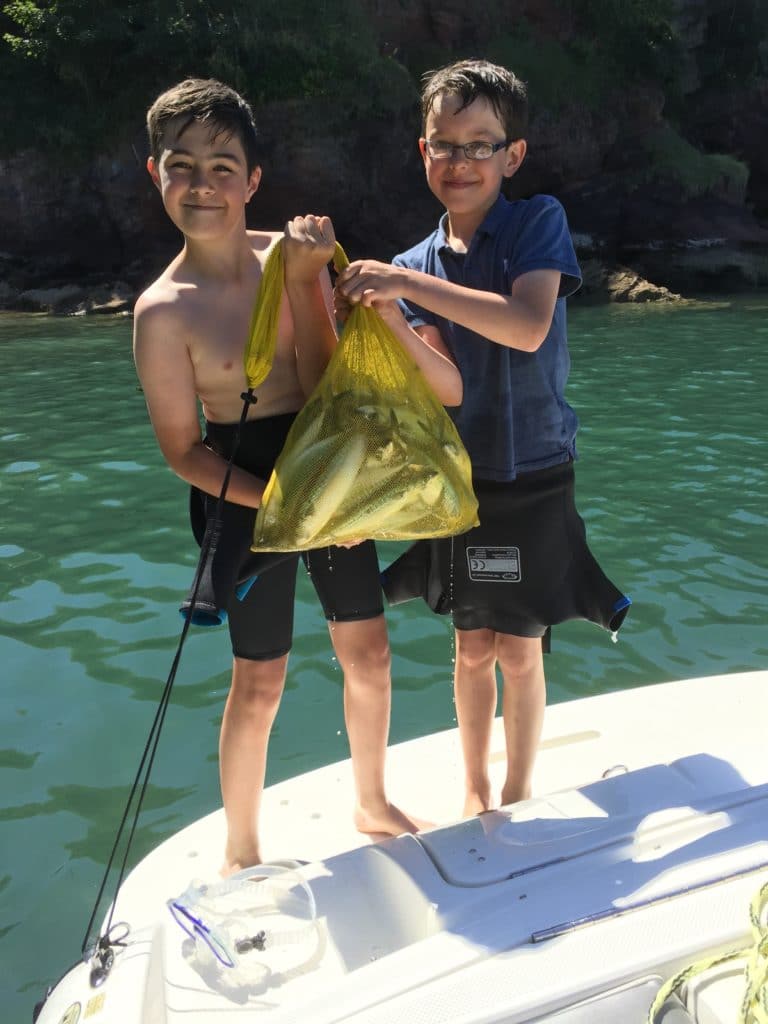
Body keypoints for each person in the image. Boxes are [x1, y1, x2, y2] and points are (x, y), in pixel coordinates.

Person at [133, 78, 462, 873]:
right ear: (156, 175)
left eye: (222, 167)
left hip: (327, 463)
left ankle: (370, 799)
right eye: (183, 167)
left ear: (252, 181)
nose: (202, 185)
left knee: (370, 651)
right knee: (260, 680)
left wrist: (313, 278)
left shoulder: (292, 257)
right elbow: (184, 450)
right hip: (242, 487)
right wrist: (279, 501)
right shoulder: (162, 310)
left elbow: (322, 379)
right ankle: (241, 848)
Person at [336, 59, 630, 818]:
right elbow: (443, 386)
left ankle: (519, 788)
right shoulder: (409, 264)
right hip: (458, 487)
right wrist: (368, 311)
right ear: (422, 150)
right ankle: (474, 789)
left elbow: (528, 327)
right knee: (471, 647)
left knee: (521, 647)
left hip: (536, 473)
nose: (461, 161)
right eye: (445, 144)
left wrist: (403, 290)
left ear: (513, 155)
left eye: (480, 144)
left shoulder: (538, 223)